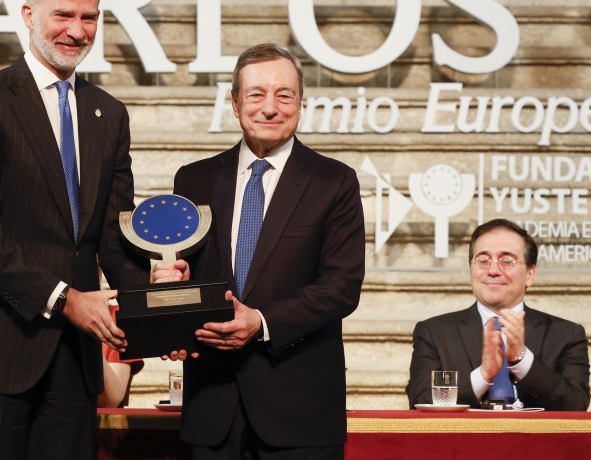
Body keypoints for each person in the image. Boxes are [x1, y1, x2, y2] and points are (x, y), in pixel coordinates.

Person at [0, 0, 147, 460]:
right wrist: (64, 298)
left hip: (74, 365)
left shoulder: (109, 115)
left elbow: (116, 235)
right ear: (28, 14)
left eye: (90, 17)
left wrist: (156, 296)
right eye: (63, 15)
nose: (77, 31)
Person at [152, 43, 366, 459]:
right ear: (234, 103)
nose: (270, 107)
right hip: (212, 407)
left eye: (284, 95)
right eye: (256, 95)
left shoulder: (334, 182)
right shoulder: (193, 180)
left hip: (300, 412)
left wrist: (262, 321)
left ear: (300, 105)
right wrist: (168, 301)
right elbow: (186, 278)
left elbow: (342, 286)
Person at [406, 218, 590, 410]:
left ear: (530, 274)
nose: (493, 270)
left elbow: (576, 404)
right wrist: (483, 376)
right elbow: (420, 401)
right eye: (483, 260)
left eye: (507, 261)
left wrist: (522, 361)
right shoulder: (434, 332)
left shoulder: (566, 334)